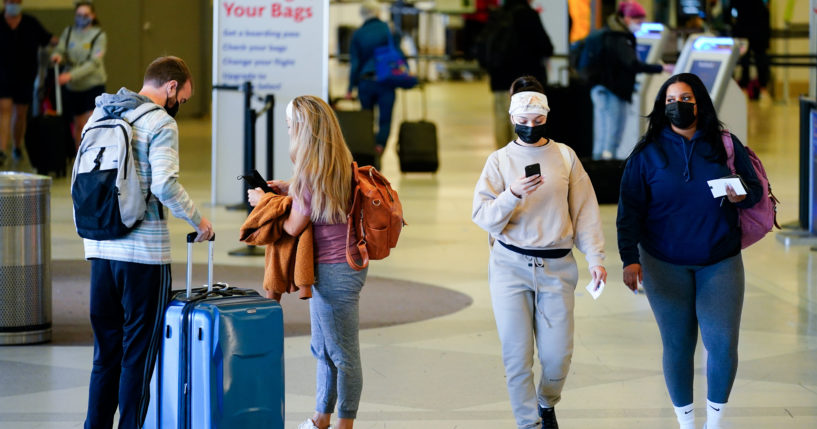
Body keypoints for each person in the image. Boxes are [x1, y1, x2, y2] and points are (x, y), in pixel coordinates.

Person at [616, 73, 763, 429]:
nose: (676, 106)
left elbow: (756, 190)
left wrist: (741, 194)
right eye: (669, 100)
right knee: (678, 346)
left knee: (722, 346)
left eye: (684, 98)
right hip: (662, 262)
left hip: (719, 260)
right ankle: (686, 423)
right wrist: (629, 258)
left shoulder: (725, 144)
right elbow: (629, 210)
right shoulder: (647, 153)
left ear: (700, 103)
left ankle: (714, 422)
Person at [81, 56, 214, 429]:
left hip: (100, 249)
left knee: (105, 356)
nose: (180, 106)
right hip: (143, 256)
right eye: (183, 99)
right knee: (137, 358)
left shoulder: (100, 115)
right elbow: (164, 185)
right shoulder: (161, 122)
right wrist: (198, 221)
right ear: (171, 88)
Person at [472, 75, 607, 429]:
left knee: (557, 356)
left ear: (547, 116)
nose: (530, 127)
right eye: (523, 121)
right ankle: (529, 424)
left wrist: (596, 258)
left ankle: (546, 403)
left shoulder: (564, 156)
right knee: (516, 357)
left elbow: (586, 211)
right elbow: (482, 216)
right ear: (512, 118)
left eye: (538, 121)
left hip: (556, 267)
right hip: (509, 265)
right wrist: (512, 194)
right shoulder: (499, 161)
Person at [248, 96, 366, 429]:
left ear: (302, 129)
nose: (287, 132)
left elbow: (291, 226)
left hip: (333, 270)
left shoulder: (311, 171)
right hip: (343, 266)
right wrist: (289, 188)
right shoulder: (336, 161)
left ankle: (343, 424)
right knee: (324, 348)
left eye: (289, 127)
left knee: (342, 354)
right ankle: (321, 418)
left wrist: (264, 201)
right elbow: (312, 201)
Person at [589, 1, 663, 160]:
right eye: (639, 21)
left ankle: (598, 166)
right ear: (628, 18)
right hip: (614, 90)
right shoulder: (620, 38)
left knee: (602, 131)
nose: (641, 25)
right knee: (613, 133)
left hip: (599, 88)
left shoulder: (607, 33)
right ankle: (607, 170)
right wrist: (661, 68)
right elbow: (632, 63)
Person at [481, 0, 553, 149]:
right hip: (524, 83)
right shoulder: (528, 15)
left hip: (499, 80)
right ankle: (521, 163)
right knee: (523, 122)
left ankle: (502, 160)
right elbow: (546, 47)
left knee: (502, 120)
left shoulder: (497, 14)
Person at [0, 0, 53, 164]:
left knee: (20, 114)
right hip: (2, 75)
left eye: (16, 1)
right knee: (4, 110)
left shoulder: (31, 23)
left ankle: (17, 145)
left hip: (25, 76)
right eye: (10, 1)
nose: (13, 4)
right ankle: (2, 150)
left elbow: (49, 39)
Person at [346, 1, 400, 158]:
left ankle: (368, 150)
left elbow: (355, 63)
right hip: (386, 81)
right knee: (385, 120)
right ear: (378, 12)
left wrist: (350, 88)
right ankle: (379, 146)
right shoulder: (388, 29)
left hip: (365, 82)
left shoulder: (358, 33)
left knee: (367, 118)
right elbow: (396, 52)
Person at [52, 0, 107, 149]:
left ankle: (94, 155)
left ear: (92, 15)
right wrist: (57, 55)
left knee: (92, 125)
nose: (82, 18)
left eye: (86, 15)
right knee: (78, 124)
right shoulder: (69, 32)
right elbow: (60, 49)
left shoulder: (99, 35)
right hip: (74, 88)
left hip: (93, 84)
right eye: (79, 15)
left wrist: (71, 75)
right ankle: (80, 157)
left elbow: (94, 63)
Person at [731, 0, 771, 101]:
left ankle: (746, 88)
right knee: (759, 60)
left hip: (743, 30)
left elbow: (732, 10)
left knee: (746, 61)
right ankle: (762, 88)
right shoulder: (760, 5)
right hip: (758, 31)